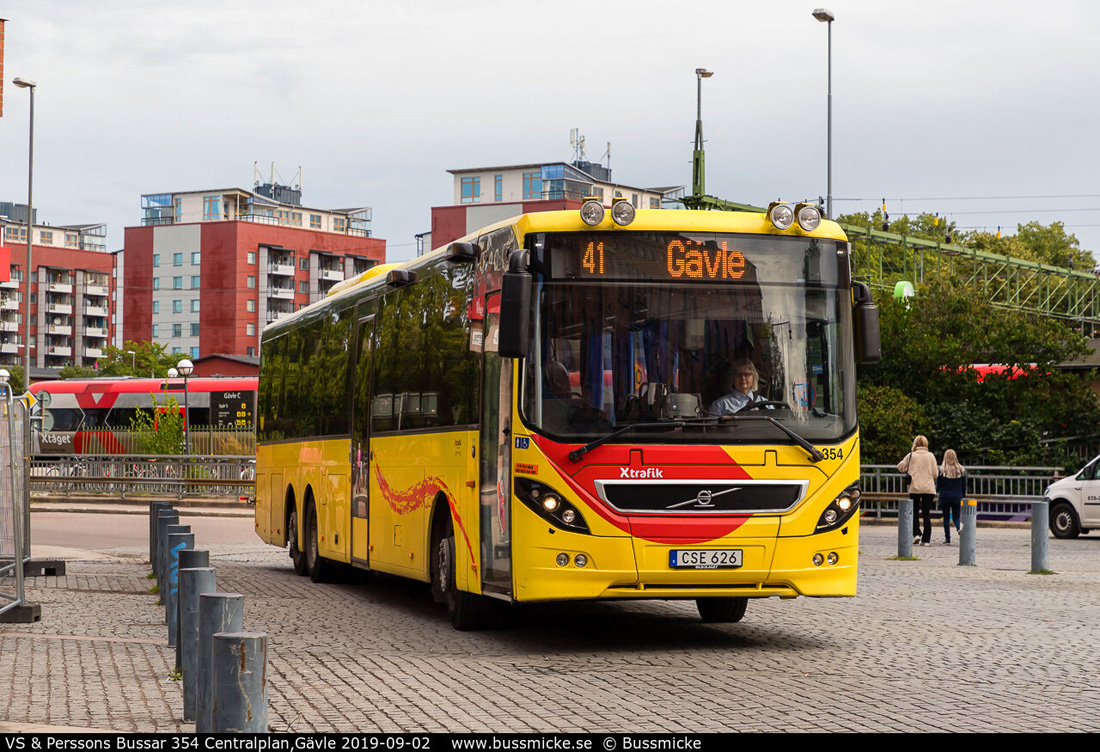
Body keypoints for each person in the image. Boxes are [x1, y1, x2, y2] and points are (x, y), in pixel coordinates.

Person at [898, 435, 938, 546]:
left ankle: (916, 534)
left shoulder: (911, 456)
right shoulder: (931, 456)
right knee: (926, 514)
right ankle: (926, 540)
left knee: (914, 513)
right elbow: (936, 474)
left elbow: (900, 467)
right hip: (929, 489)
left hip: (914, 488)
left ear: (915, 444)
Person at [937, 449, 967, 545]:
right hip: (957, 495)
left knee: (946, 517)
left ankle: (947, 538)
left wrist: (937, 491)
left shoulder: (942, 470)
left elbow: (939, 485)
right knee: (956, 517)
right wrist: (963, 495)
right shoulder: (961, 470)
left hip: (945, 495)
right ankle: (959, 528)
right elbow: (964, 485)